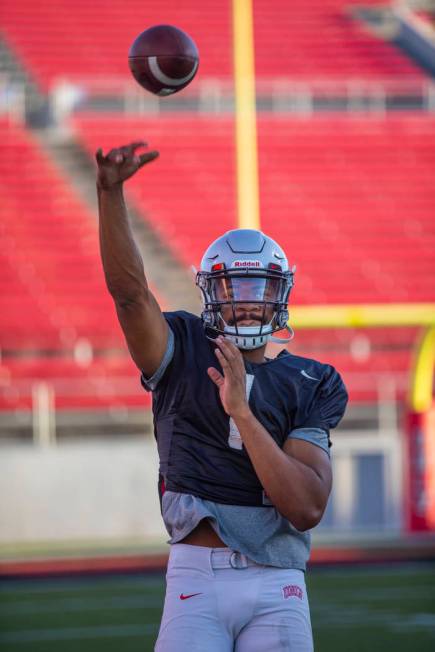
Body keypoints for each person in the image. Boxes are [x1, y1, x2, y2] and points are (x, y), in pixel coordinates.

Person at [96, 141, 348, 652]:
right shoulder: (183, 347)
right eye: (236, 289)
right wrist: (110, 193)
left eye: (261, 289)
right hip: (196, 580)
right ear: (213, 293)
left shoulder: (308, 380)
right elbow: (130, 295)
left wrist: (241, 412)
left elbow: (305, 507)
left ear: (281, 294)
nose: (251, 305)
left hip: (280, 582)